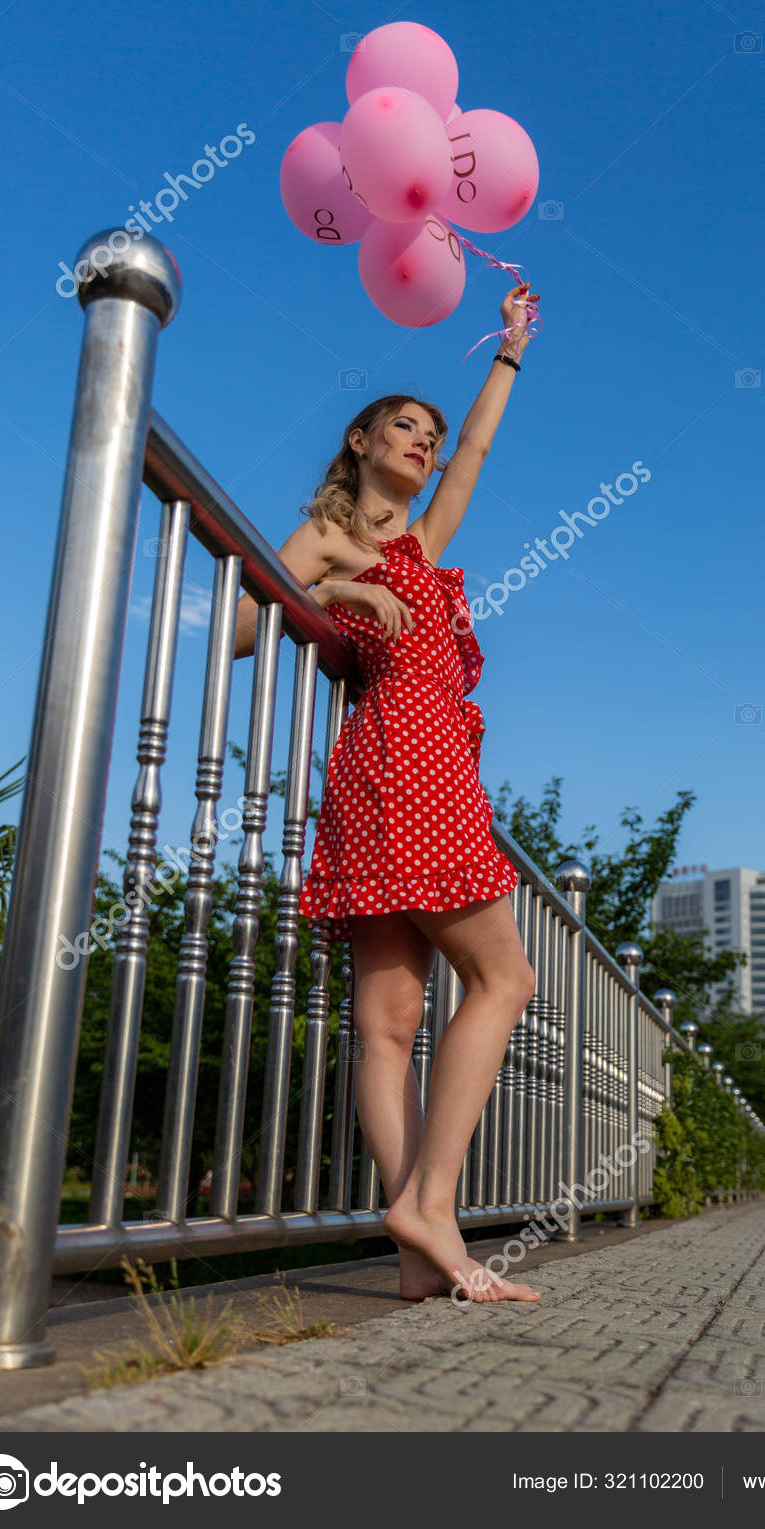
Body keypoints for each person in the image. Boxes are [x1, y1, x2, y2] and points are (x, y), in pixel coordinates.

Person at [234, 283, 542, 1304]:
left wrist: (507, 350)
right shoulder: (326, 538)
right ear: (359, 439)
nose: (421, 441)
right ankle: (431, 1204)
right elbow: (240, 630)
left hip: (409, 763)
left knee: (393, 1014)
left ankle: (417, 1260)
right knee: (503, 981)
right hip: (402, 759)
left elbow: (480, 455)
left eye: (430, 433)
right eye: (402, 425)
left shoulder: (424, 541)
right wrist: (334, 589)